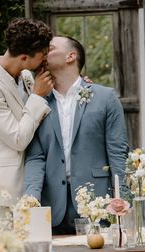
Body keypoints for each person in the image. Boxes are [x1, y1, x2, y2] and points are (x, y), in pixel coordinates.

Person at [24, 36, 129, 234]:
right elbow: (36, 157)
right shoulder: (38, 101)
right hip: (52, 209)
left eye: (51, 48)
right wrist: (31, 200)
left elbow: (118, 153)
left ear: (70, 56)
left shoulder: (106, 98)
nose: (44, 52)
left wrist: (124, 200)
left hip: (98, 207)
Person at [0, 18, 53, 203]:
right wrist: (37, 96)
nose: (46, 59)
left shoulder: (25, 75)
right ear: (24, 57)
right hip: (0, 185)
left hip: (31, 179)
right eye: (43, 54)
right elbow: (17, 139)